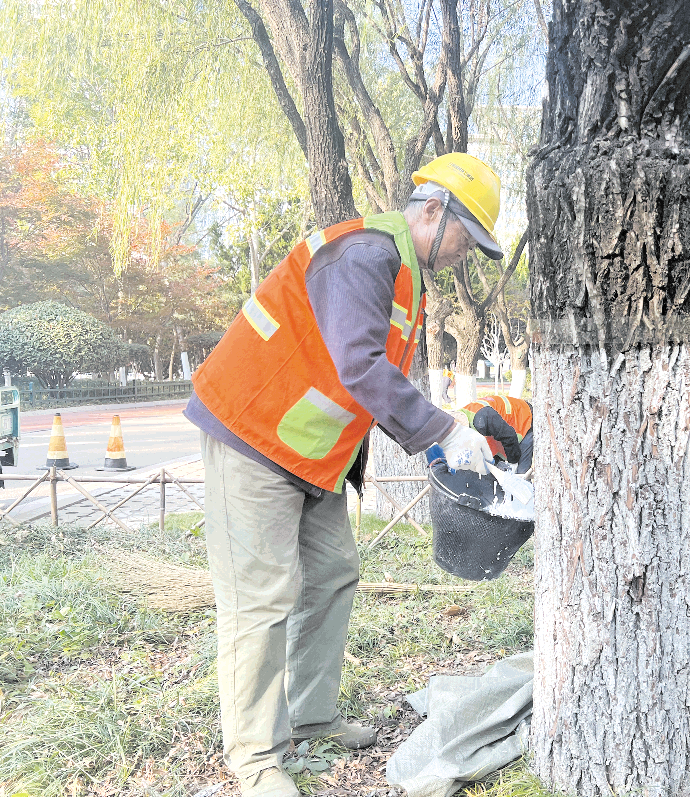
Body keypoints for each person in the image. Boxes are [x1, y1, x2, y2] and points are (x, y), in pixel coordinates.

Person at [184, 152, 503, 797]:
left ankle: (309, 717)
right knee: (261, 599)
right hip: (252, 432)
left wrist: (447, 435)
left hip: (307, 455)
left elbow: (373, 383)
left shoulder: (400, 273)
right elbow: (359, 366)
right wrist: (443, 432)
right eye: (470, 239)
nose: (467, 255)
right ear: (436, 214)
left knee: (332, 572)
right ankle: (254, 759)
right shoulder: (364, 256)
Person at [456, 395, 533, 474]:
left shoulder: (481, 420)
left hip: (524, 417)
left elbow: (509, 436)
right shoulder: (459, 417)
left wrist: (513, 463)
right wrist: (496, 463)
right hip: (505, 428)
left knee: (521, 473)